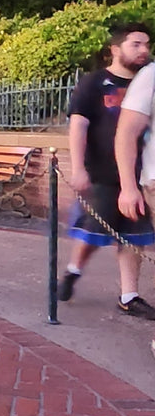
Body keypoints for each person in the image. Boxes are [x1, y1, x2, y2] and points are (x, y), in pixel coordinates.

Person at [59, 23, 155, 316]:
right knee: (95, 230)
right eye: (135, 44)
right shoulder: (94, 83)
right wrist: (78, 168)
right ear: (115, 49)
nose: (143, 50)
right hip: (102, 172)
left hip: (138, 174)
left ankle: (129, 295)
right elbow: (79, 124)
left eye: (146, 44)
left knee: (133, 235)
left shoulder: (146, 80)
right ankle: (74, 270)